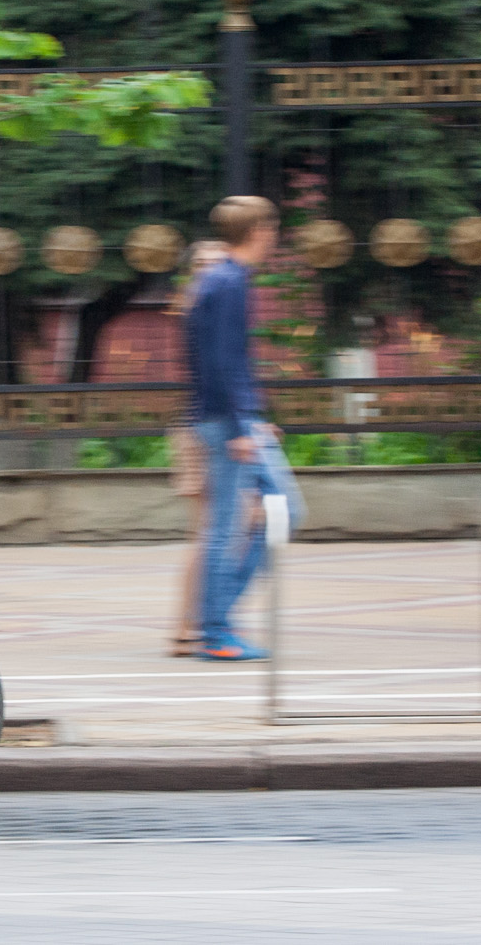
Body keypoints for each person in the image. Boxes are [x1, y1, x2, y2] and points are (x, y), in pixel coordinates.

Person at [185, 197, 304, 661]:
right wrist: (240, 426)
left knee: (280, 511)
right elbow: (221, 361)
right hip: (228, 423)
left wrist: (251, 417)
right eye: (271, 228)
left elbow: (220, 359)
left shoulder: (218, 279)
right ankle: (216, 629)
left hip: (229, 418)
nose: (274, 236)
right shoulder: (229, 280)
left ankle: (216, 620)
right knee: (236, 523)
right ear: (257, 231)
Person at [165, 239, 229, 657]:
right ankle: (188, 626)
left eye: (218, 263)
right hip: (202, 431)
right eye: (203, 263)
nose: (211, 270)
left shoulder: (203, 309)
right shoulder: (198, 310)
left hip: (206, 427)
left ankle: (197, 622)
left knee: (219, 530)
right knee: (208, 533)